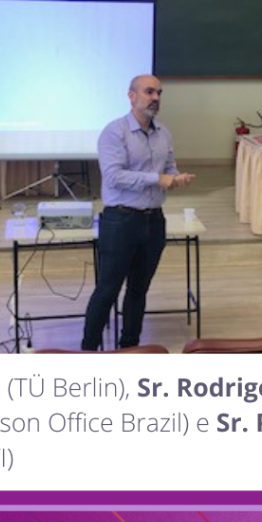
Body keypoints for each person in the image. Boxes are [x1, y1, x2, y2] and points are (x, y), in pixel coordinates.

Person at [81, 75, 194, 350]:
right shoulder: (114, 132)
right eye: (149, 92)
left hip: (154, 221)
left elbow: (169, 167)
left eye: (159, 93)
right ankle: (87, 351)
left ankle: (130, 348)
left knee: (139, 290)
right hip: (121, 220)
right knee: (108, 290)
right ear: (131, 96)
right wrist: (157, 179)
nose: (155, 98)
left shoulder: (164, 133)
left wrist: (175, 178)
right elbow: (113, 176)